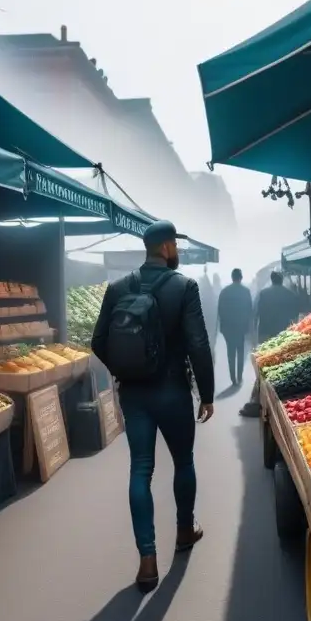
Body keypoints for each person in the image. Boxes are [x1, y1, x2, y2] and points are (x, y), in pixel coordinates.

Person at [91, 219, 214, 592]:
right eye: (175, 244)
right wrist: (207, 394)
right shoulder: (184, 287)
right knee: (184, 462)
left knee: (140, 470)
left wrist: (124, 371)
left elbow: (98, 341)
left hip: (135, 394)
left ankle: (147, 561)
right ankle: (183, 531)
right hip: (173, 391)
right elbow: (197, 344)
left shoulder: (117, 288)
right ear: (166, 248)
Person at [240, 271, 302, 418]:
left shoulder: (263, 293)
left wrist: (253, 335)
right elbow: (295, 315)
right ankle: (279, 396)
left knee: (265, 365)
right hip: (283, 335)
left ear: (272, 280)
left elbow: (254, 314)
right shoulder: (290, 294)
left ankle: (259, 399)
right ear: (281, 280)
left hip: (266, 333)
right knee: (282, 365)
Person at [217, 268, 253, 386]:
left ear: (232, 277)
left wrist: (222, 327)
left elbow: (220, 310)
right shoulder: (246, 291)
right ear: (241, 277)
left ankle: (233, 378)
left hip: (228, 328)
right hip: (240, 327)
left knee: (230, 352)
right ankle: (239, 375)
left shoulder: (224, 291)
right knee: (240, 351)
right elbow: (249, 310)